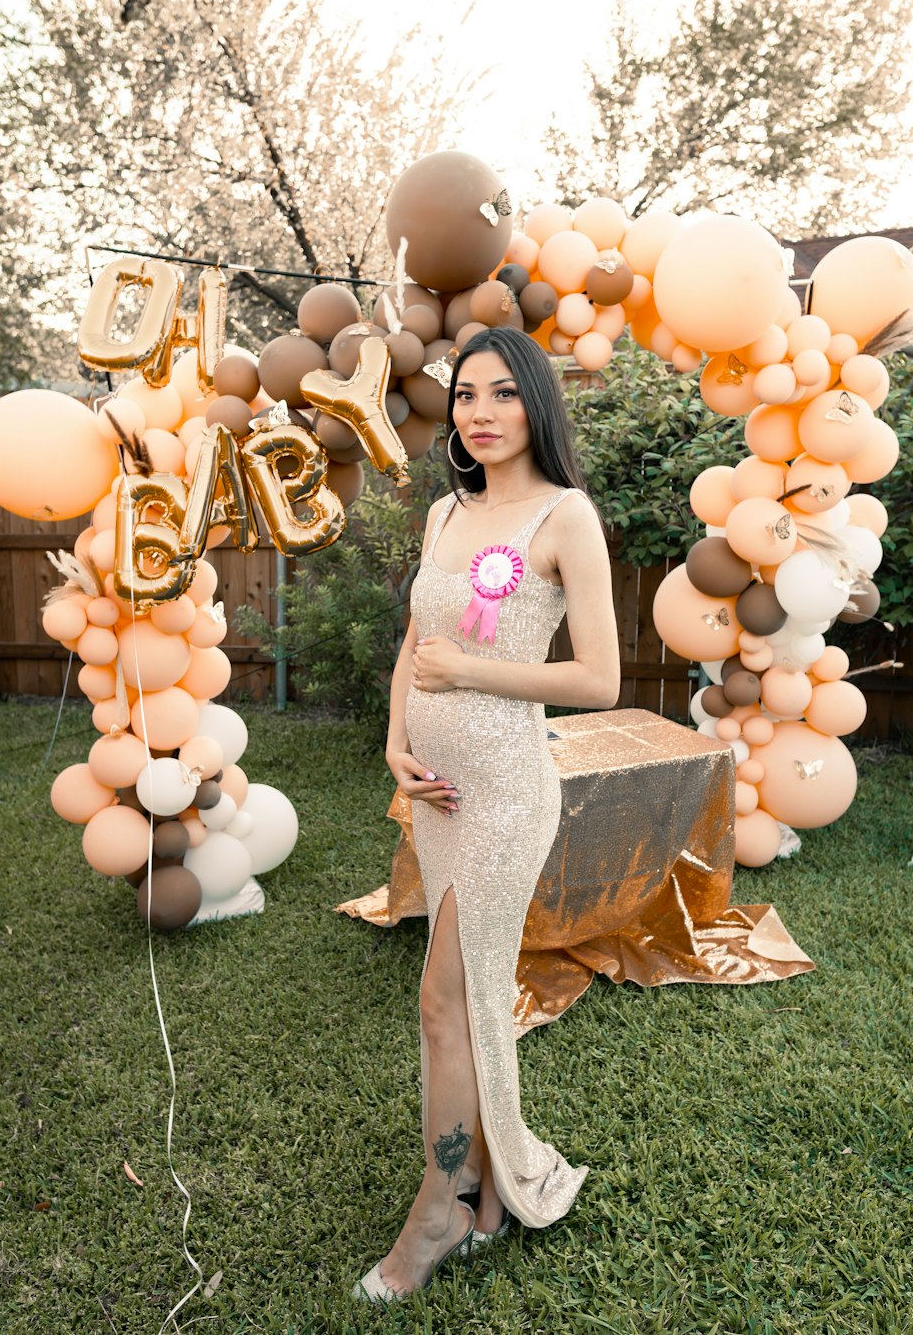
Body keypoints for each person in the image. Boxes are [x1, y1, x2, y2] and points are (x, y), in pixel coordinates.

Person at [352, 326, 621, 1302]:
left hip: (507, 792)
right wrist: (395, 742)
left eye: (504, 393)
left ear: (534, 404)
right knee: (459, 1004)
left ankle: (441, 1208)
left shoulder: (564, 518)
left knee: (443, 1001)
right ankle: (486, 1189)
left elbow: (597, 675)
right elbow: (414, 642)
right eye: (466, 394)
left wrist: (469, 673)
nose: (480, 411)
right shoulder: (444, 515)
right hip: (436, 793)